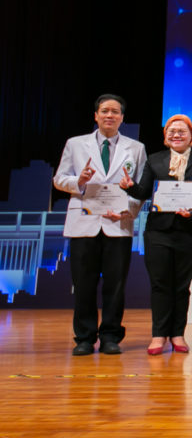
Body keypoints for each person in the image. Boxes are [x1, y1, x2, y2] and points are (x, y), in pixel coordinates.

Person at [54, 94, 147, 355]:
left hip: (118, 223)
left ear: (122, 118)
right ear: (95, 115)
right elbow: (59, 179)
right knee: (83, 284)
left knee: (115, 285)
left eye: (115, 112)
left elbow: (140, 188)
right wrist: (79, 181)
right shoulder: (75, 144)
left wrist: (128, 211)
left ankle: (110, 337)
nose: (109, 115)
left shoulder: (136, 148)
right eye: (105, 111)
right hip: (84, 222)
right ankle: (84, 338)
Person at [121, 114, 192, 355]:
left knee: (182, 287)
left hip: (189, 232)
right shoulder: (155, 160)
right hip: (158, 232)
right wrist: (130, 186)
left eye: (182, 131)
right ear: (165, 136)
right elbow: (143, 192)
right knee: (160, 285)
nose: (177, 135)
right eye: (172, 131)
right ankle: (158, 335)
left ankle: (178, 334)